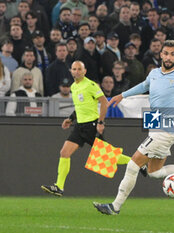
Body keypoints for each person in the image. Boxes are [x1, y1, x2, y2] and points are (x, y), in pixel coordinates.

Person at [93, 40, 174, 215]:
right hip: (155, 123)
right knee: (154, 172)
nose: (169, 57)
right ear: (161, 54)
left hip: (165, 129)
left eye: (173, 54)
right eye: (166, 53)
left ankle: (115, 206)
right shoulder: (155, 73)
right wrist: (122, 95)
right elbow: (144, 86)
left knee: (133, 165)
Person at [40, 61, 130, 196]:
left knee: (106, 157)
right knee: (64, 152)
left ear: (84, 71)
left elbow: (105, 103)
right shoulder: (73, 87)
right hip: (79, 126)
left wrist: (101, 122)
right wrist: (70, 119)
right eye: (74, 69)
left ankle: (136, 162)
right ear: (71, 71)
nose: (76, 71)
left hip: (91, 126)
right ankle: (59, 187)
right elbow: (80, 108)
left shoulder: (91, 85)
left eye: (79, 69)